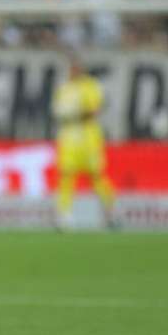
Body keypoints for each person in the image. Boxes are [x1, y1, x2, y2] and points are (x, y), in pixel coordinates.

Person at [51, 54, 116, 229]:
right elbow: (57, 111)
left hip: (88, 138)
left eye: (76, 68)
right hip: (68, 138)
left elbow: (94, 110)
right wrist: (70, 115)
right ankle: (63, 215)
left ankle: (110, 213)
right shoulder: (64, 88)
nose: (73, 71)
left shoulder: (90, 86)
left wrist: (75, 114)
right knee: (66, 176)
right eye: (71, 68)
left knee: (97, 175)